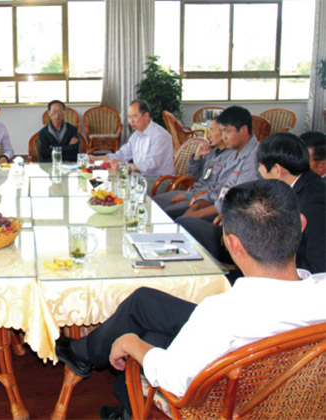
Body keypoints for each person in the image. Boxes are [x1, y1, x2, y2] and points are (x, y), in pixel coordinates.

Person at [55, 179, 326, 419]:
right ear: (301, 224)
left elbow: (173, 379)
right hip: (292, 394)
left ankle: (119, 392)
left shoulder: (219, 313)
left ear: (233, 244)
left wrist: (129, 342)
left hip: (230, 403)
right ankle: (120, 398)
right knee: (145, 302)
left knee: (146, 338)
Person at [256, 133, 325, 273]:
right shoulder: (299, 183)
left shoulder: (312, 202)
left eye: (260, 165)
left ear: (277, 170)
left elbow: (320, 264)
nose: (258, 170)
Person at [178, 105, 259, 222]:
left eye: (226, 131)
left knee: (181, 221)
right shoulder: (234, 152)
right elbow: (217, 187)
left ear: (243, 130)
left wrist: (198, 213)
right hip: (213, 202)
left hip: (233, 218)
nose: (224, 137)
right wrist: (198, 204)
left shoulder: (254, 157)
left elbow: (237, 199)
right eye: (221, 131)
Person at [153, 119, 234, 219]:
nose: (209, 135)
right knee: (153, 203)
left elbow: (216, 189)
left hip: (202, 199)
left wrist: (189, 196)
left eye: (212, 130)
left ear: (223, 133)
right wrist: (197, 157)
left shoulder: (231, 157)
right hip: (193, 192)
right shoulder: (212, 152)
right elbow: (194, 176)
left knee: (165, 213)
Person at [105, 100, 173, 176]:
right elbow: (121, 154)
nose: (131, 121)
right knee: (110, 177)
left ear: (146, 116)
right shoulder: (136, 135)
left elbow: (151, 164)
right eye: (129, 117)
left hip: (159, 178)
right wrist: (96, 158)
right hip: (142, 176)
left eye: (134, 116)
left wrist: (125, 167)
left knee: (118, 178)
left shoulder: (159, 135)